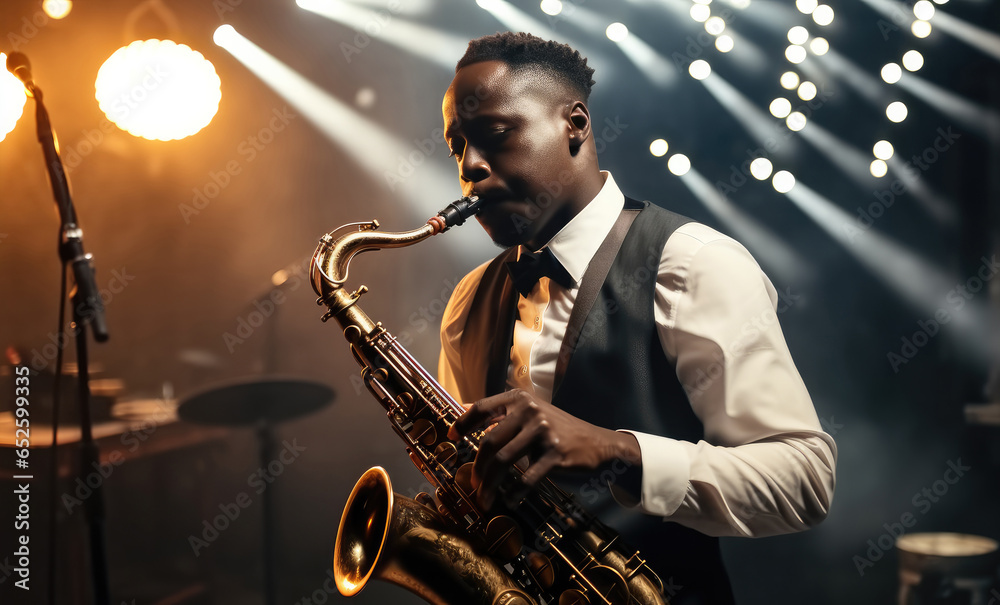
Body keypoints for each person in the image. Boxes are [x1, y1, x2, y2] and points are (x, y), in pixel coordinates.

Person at [437, 31, 836, 604]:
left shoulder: (695, 263)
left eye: (495, 136)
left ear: (575, 124)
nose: (470, 166)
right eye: (456, 148)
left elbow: (803, 481)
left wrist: (618, 450)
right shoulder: (468, 300)